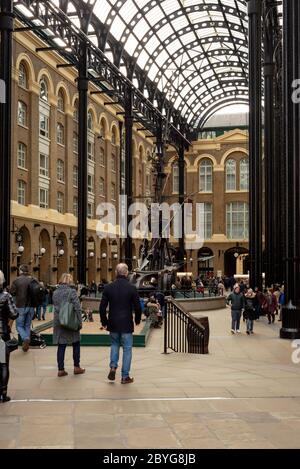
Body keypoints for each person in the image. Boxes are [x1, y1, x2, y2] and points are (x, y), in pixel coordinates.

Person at [99, 263, 141, 384]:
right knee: (127, 349)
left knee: (114, 345)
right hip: (126, 323)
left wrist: (104, 322)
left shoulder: (108, 287)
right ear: (127, 273)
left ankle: (113, 366)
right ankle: (125, 376)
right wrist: (137, 320)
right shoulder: (132, 288)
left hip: (113, 323)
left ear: (116, 273)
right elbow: (138, 307)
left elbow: (102, 308)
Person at [52, 273, 85, 377]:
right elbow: (78, 308)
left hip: (59, 321)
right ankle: (76, 367)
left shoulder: (55, 292)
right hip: (71, 320)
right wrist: (80, 322)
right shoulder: (72, 292)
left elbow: (56, 306)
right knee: (76, 343)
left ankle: (61, 369)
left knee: (61, 345)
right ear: (70, 281)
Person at [0, 270, 18, 402]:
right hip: (1, 334)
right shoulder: (5, 296)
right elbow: (14, 314)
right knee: (3, 364)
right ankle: (3, 393)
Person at [10, 264, 35, 352]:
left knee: (19, 326)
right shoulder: (33, 280)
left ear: (20, 270)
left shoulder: (16, 280)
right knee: (27, 325)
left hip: (20, 306)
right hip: (31, 306)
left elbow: (12, 292)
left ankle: (25, 338)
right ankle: (26, 345)